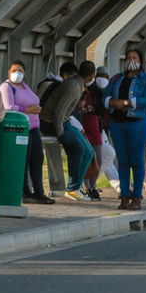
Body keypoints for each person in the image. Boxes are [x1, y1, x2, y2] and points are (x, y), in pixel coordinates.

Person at [104, 49, 146, 210]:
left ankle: (137, 197)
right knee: (123, 161)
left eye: (134, 58)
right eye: (128, 58)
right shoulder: (116, 78)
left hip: (138, 122)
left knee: (136, 160)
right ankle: (124, 195)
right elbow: (105, 97)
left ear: (140, 61)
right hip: (117, 123)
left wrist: (127, 103)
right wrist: (113, 102)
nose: (130, 60)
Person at [0, 61, 54, 205]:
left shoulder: (24, 86)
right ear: (9, 72)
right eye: (14, 70)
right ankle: (25, 192)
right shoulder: (7, 87)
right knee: (23, 160)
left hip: (33, 127)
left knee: (37, 159)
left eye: (20, 71)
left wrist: (36, 109)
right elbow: (8, 107)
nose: (17, 73)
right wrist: (27, 110)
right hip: (20, 129)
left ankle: (39, 192)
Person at [40, 62, 94, 202]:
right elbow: (59, 110)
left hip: (63, 121)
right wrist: (60, 132)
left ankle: (76, 186)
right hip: (51, 123)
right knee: (77, 148)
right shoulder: (74, 87)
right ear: (91, 76)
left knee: (88, 151)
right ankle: (72, 189)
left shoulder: (77, 84)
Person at [77, 60, 106, 200]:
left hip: (94, 127)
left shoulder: (96, 90)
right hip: (81, 127)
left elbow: (103, 108)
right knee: (86, 157)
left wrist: (92, 108)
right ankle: (87, 187)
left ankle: (92, 186)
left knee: (98, 159)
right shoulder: (77, 87)